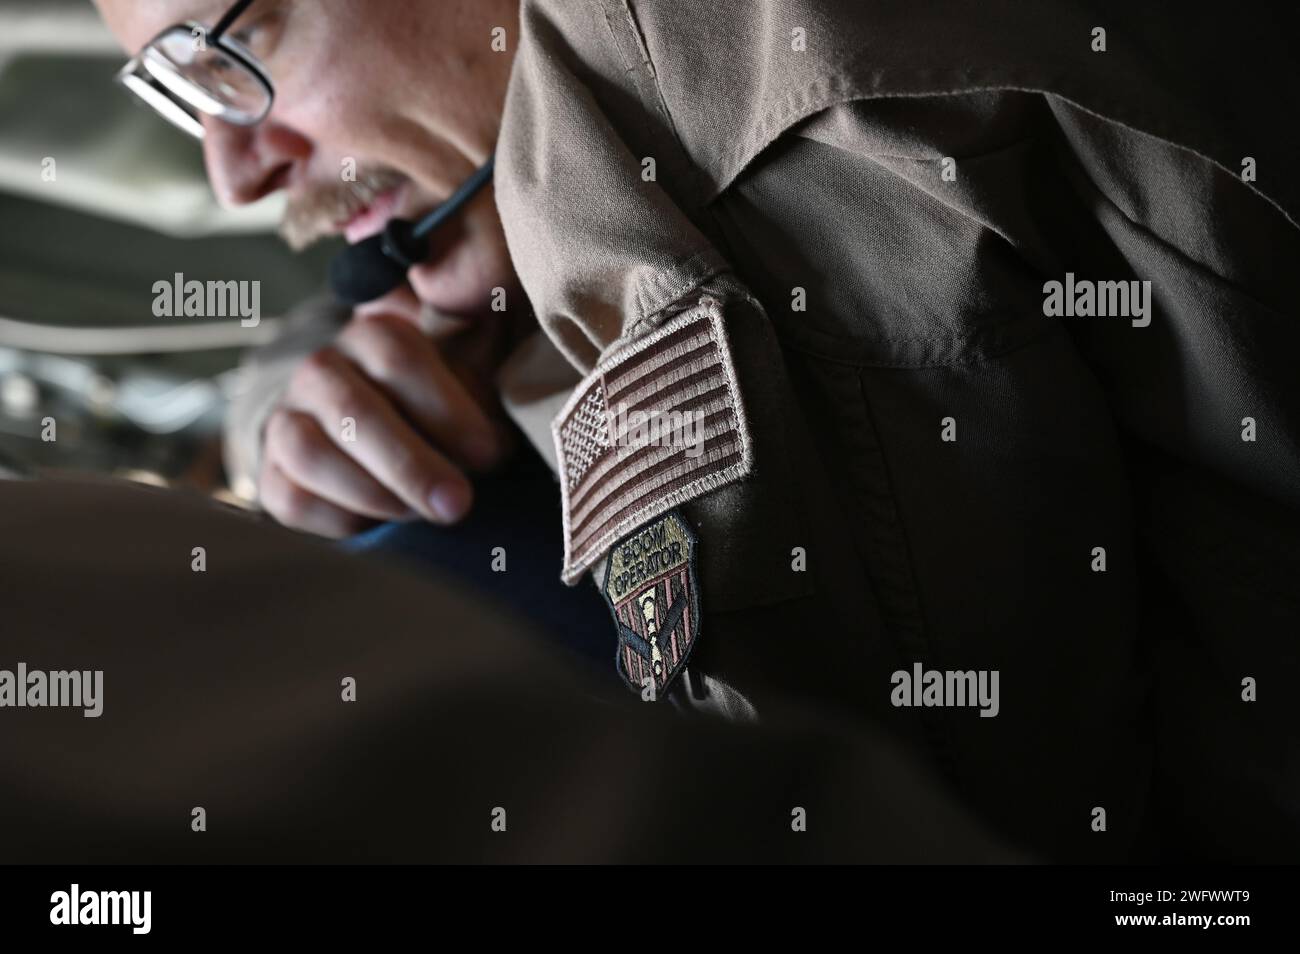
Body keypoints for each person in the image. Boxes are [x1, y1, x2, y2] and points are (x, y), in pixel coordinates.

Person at [90, 0, 1300, 862]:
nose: (231, 174)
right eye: (174, 91)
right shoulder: (517, 111)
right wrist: (286, 407)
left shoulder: (705, 110)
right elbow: (314, 317)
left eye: (235, 48)